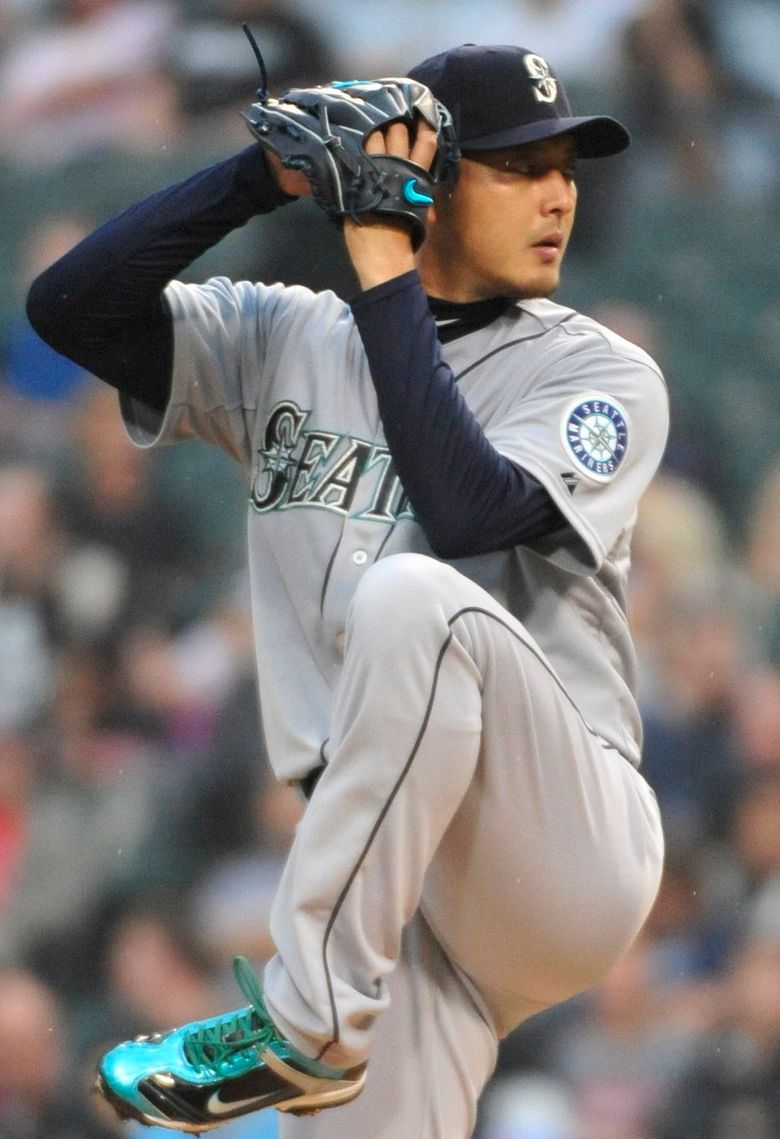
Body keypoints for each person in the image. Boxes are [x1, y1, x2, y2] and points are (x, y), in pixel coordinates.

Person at [26, 41, 668, 1139]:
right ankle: (319, 1027)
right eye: (520, 165)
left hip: (560, 835)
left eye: (565, 164)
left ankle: (302, 1023)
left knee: (411, 597)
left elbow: (465, 514)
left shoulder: (597, 370)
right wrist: (256, 178)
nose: (559, 191)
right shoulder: (289, 337)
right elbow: (69, 308)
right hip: (398, 898)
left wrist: (379, 254)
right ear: (430, 177)